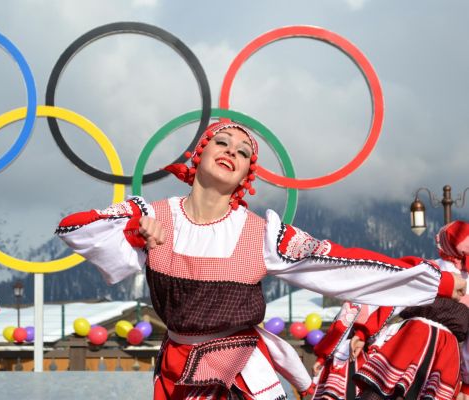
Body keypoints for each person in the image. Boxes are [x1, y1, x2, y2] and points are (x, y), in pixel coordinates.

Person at [56, 121, 466, 399]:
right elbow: (74, 229)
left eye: (244, 152)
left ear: (246, 175)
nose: (232, 152)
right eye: (222, 142)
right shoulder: (154, 216)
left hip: (242, 367)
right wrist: (133, 226)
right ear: (199, 154)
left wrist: (438, 282)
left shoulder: (261, 234)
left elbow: (344, 266)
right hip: (178, 371)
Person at [353, 221, 469, 400]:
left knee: (386, 391)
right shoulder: (441, 273)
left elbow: (393, 297)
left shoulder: (430, 269)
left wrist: (364, 331)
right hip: (445, 351)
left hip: (411, 338)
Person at [312, 302, 396, 400]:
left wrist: (322, 358)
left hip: (357, 354)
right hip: (378, 357)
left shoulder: (359, 298)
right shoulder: (393, 295)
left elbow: (340, 326)